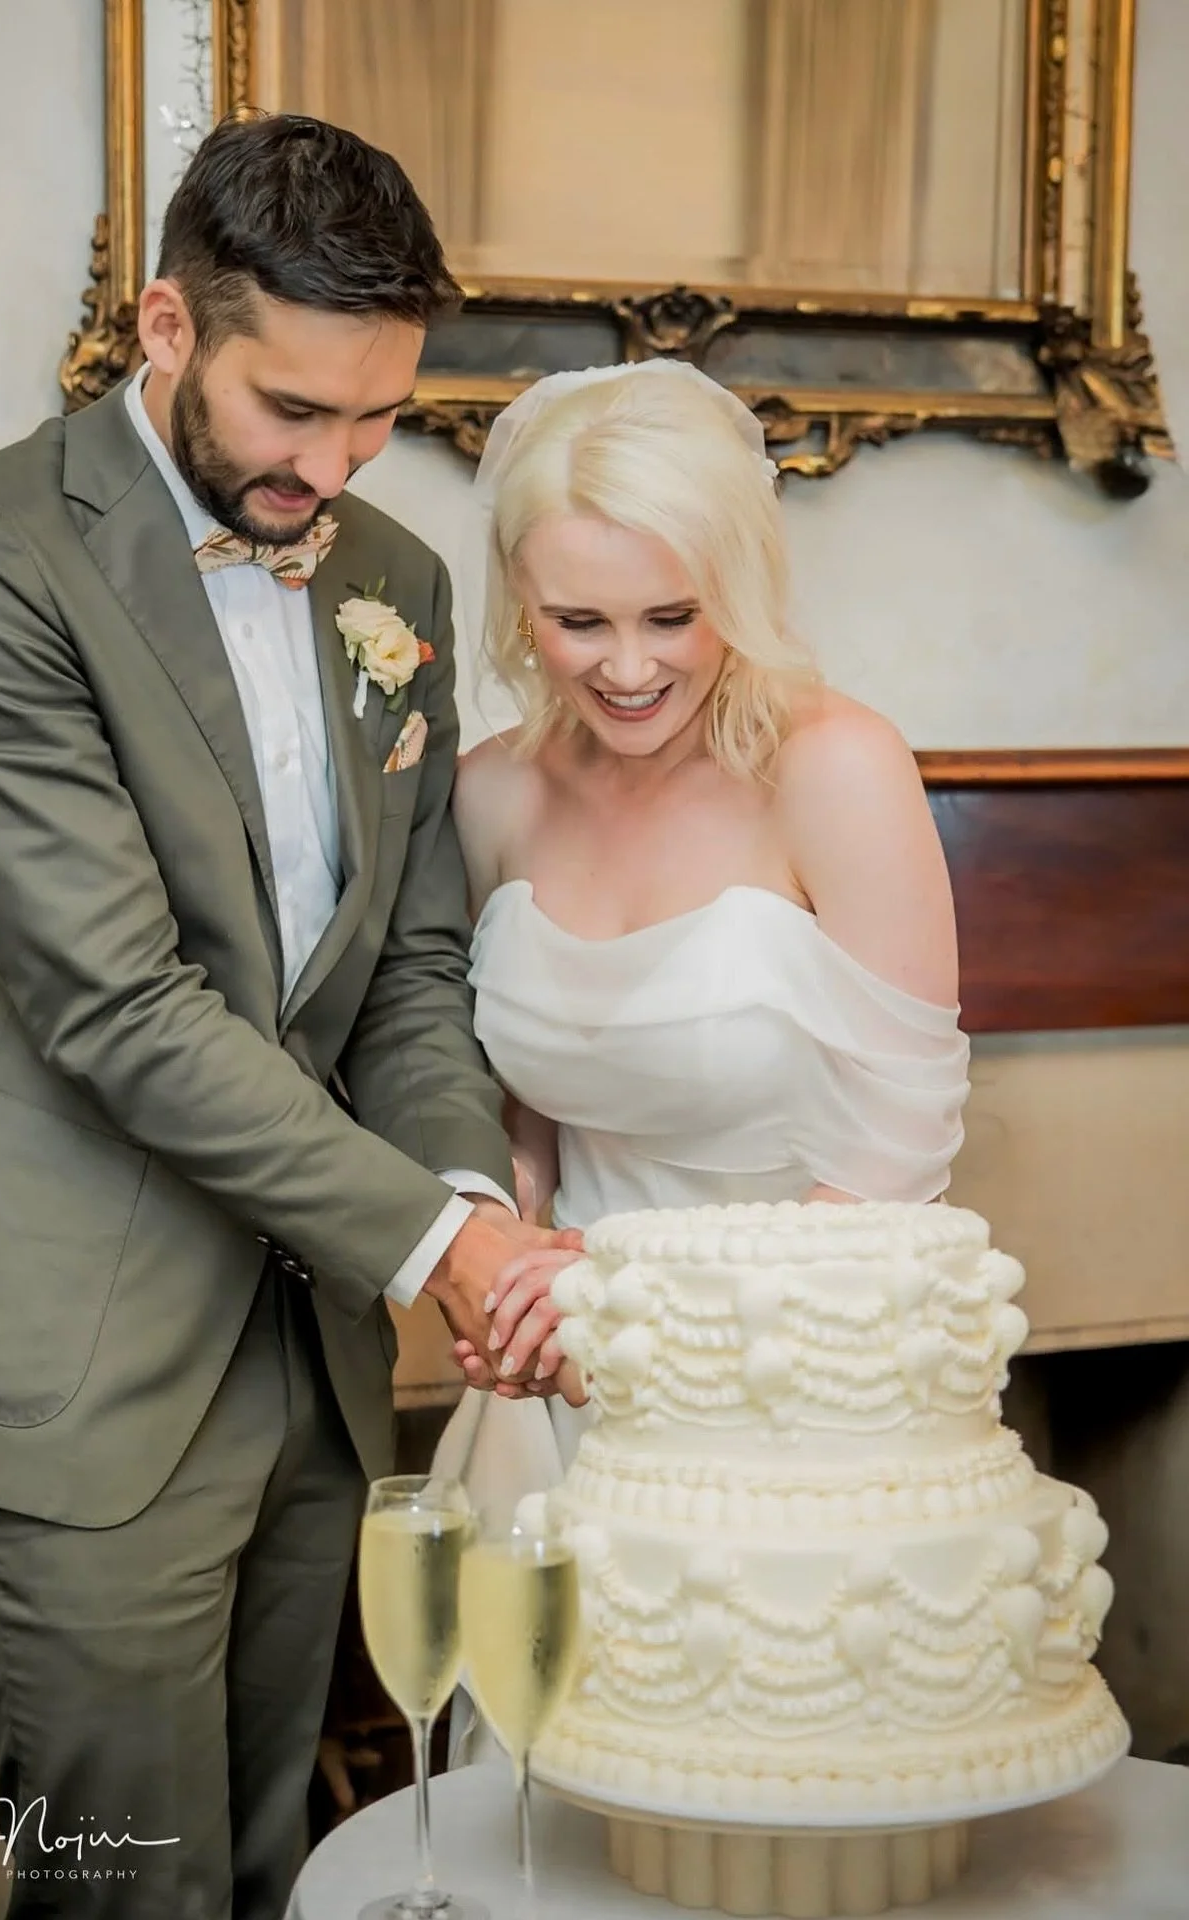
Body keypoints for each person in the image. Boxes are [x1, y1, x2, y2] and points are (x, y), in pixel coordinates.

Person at [0, 115, 575, 1920]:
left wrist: (467, 1201)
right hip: (70, 1363)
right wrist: (438, 1255)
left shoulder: (393, 581)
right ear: (168, 327)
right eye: (291, 412)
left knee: (273, 1873)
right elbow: (122, 1006)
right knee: (131, 1895)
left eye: (380, 415)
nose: (336, 463)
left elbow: (401, 965)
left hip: (305, 1366)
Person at [433, 359, 971, 1656]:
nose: (626, 668)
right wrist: (504, 1264)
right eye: (579, 621)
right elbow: (523, 1108)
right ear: (521, 599)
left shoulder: (838, 767)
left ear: (738, 584)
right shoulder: (489, 793)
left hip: (805, 1381)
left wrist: (639, 1308)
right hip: (568, 1388)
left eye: (672, 615)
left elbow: (903, 1152)